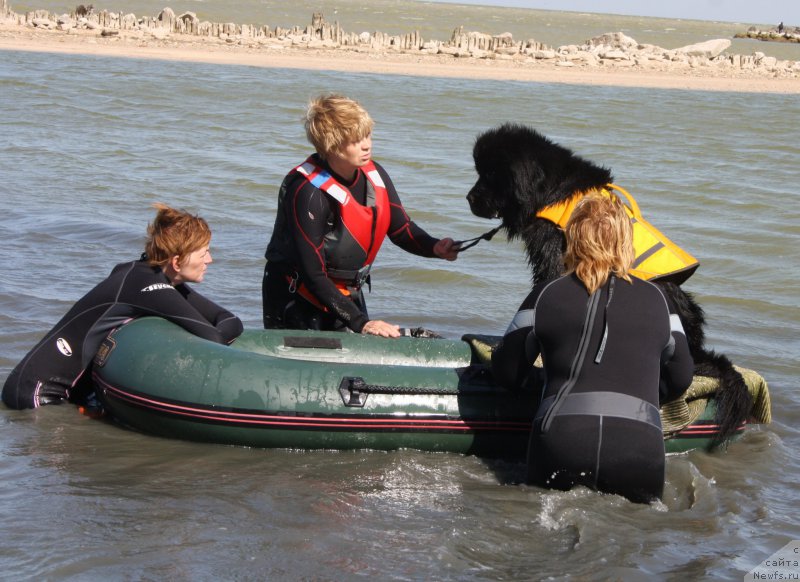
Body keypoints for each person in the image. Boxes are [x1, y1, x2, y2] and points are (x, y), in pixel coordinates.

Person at [491, 193, 694, 503]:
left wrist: (544, 385)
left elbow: (507, 371)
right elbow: (681, 378)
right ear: (628, 243)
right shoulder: (660, 302)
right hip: (639, 452)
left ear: (573, 238)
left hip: (562, 444)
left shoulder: (545, 295)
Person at [2, 203, 243, 410]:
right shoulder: (148, 287)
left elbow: (230, 320)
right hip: (38, 393)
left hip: (41, 388)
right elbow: (215, 337)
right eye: (204, 253)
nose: (209, 260)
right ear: (177, 261)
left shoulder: (144, 275)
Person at [262, 94, 458, 338]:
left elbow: (400, 228)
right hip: (297, 297)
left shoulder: (375, 175)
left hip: (344, 293)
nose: (367, 145)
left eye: (367, 135)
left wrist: (434, 247)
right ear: (331, 145)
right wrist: (362, 323)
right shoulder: (308, 193)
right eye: (355, 140)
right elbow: (312, 274)